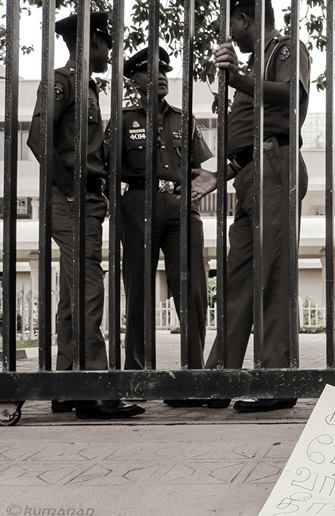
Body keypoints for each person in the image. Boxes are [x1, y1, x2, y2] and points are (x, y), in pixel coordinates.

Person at [189, 0, 310, 412]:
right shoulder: (256, 60)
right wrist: (219, 175)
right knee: (236, 278)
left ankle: (277, 382)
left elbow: (292, 96)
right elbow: (246, 138)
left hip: (276, 167)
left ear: (245, 19)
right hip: (249, 174)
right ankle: (217, 379)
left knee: (273, 278)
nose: (229, 36)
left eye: (231, 26)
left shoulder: (285, 49)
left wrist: (237, 79)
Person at [27, 12, 144, 420]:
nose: (111, 53)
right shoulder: (62, 82)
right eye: (107, 45)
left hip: (85, 201)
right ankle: (95, 388)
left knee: (72, 294)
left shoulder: (87, 88)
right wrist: (71, 191)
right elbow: (38, 137)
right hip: (73, 200)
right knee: (89, 289)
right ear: (89, 43)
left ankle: (66, 384)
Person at [109, 46, 213, 384]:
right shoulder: (123, 120)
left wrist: (196, 186)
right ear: (135, 79)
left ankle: (194, 375)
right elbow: (111, 171)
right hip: (139, 204)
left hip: (182, 208)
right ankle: (137, 375)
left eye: (164, 70)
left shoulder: (185, 119)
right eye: (151, 70)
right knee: (138, 290)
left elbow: (201, 167)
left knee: (193, 288)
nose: (161, 76)